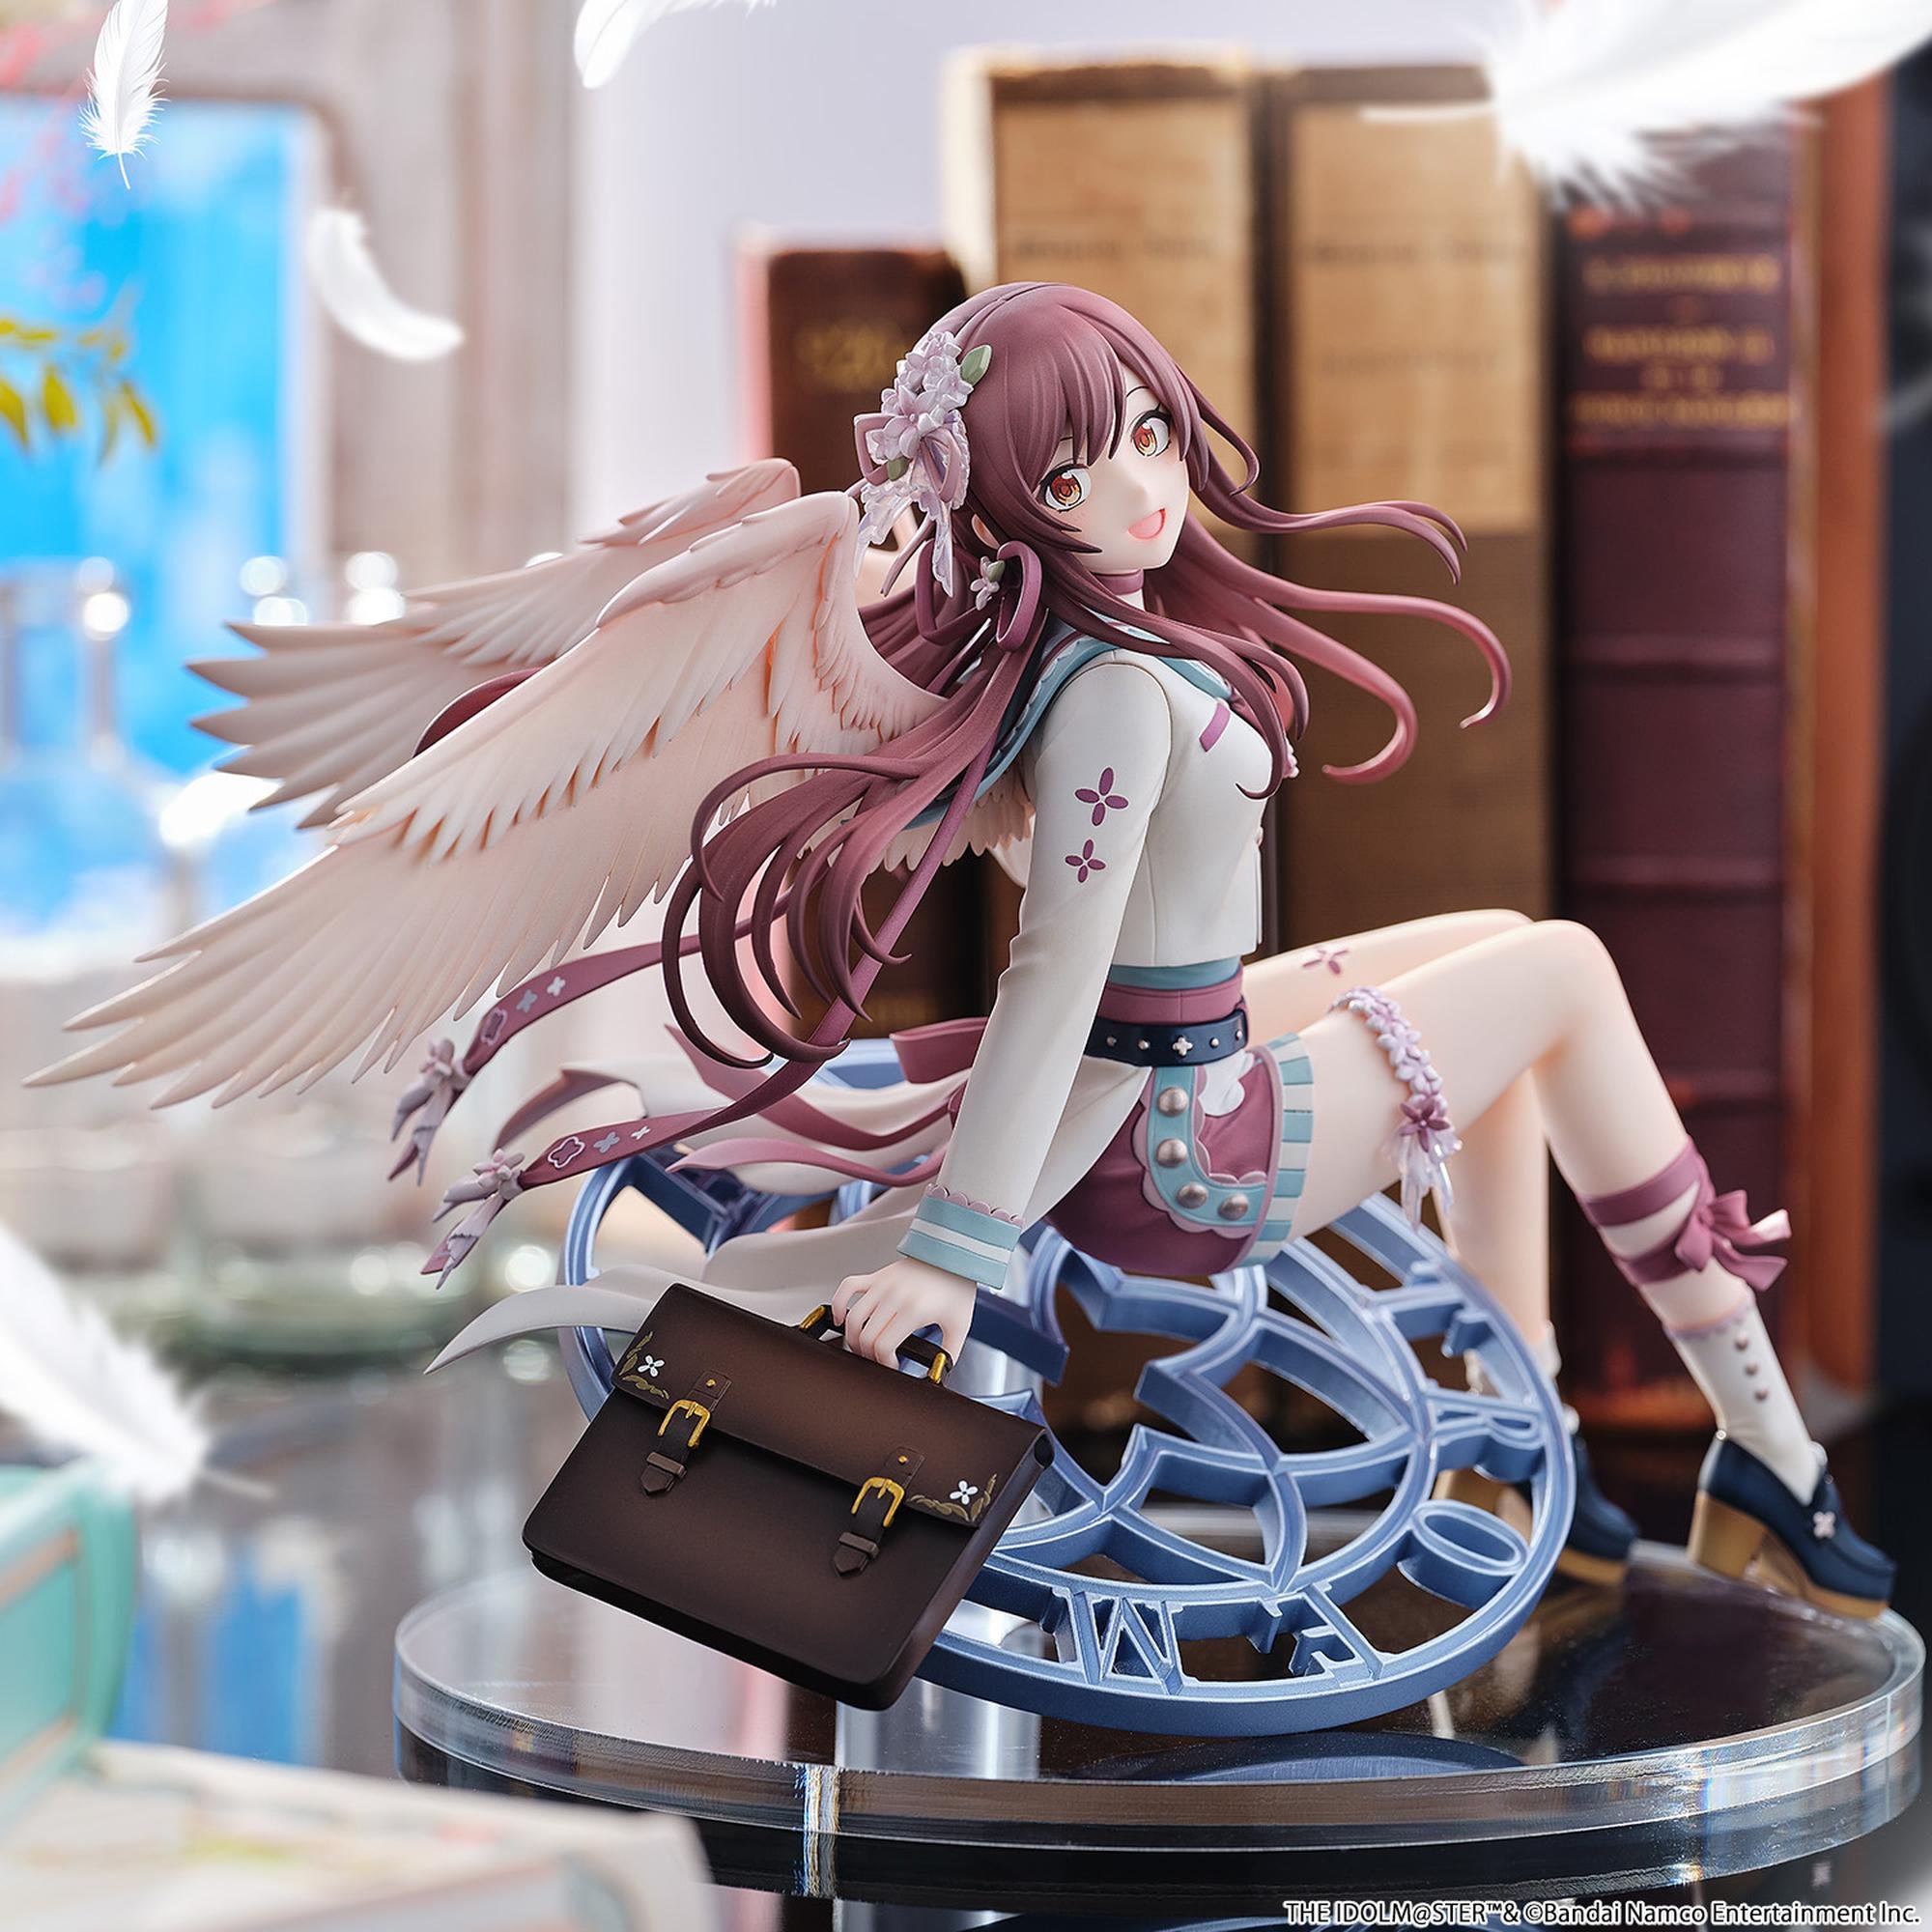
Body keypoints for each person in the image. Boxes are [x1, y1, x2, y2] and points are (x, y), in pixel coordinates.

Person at [33, 283, 1891, 1617]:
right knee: (1564, 971)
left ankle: (1513, 1432)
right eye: (1084, 471)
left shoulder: (1105, 655)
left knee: (1500, 948)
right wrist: (956, 1245)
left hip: (1187, 1058)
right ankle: (1769, 1463)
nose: (1146, 487)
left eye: (1151, 433)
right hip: (1182, 1145)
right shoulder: (1111, 697)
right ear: (1012, 502)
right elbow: (1058, 981)